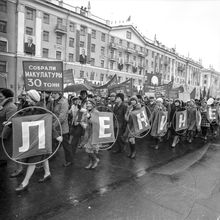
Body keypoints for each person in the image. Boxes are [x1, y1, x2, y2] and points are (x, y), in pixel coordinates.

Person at [15, 90, 62, 192]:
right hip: (33, 136)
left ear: (33, 98)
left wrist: (56, 136)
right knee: (43, 155)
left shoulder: (41, 109)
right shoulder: (27, 108)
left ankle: (25, 182)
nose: (25, 98)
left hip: (41, 137)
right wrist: (10, 123)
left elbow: (48, 123)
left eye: (27, 97)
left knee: (34, 159)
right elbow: (21, 119)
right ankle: (47, 173)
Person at [50, 92, 70, 167]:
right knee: (53, 143)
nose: (52, 95)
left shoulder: (64, 102)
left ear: (58, 93)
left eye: (53, 93)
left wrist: (53, 125)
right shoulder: (53, 101)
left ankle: (69, 160)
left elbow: (62, 117)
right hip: (55, 126)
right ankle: (52, 156)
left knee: (66, 145)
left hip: (62, 128)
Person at [81, 99, 100, 169]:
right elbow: (82, 121)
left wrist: (89, 117)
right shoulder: (85, 112)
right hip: (87, 133)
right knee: (89, 149)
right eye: (87, 103)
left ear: (93, 104)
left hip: (94, 133)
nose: (88, 105)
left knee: (89, 149)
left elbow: (96, 123)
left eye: (90, 103)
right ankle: (91, 162)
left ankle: (95, 160)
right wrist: (83, 124)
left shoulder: (96, 112)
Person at [0, 88, 17, 167]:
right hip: (1, 130)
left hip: (4, 132)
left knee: (4, 148)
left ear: (7, 97)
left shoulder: (11, 107)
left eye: (1, 96)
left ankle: (3, 160)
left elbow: (10, 122)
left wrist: (3, 136)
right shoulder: (3, 105)